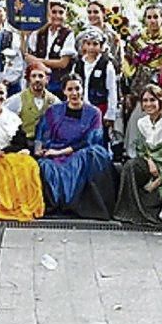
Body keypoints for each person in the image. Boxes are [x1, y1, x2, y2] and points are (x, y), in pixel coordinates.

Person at [35, 75, 116, 219]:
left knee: (87, 157)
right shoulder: (54, 111)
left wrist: (60, 152)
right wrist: (39, 149)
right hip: (55, 150)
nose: (74, 93)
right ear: (64, 92)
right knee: (45, 166)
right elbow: (42, 133)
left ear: (82, 89)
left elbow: (91, 140)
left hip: (80, 151)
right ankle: (56, 206)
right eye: (70, 89)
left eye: (77, 88)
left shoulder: (94, 113)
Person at [114, 84, 162, 226]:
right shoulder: (142, 123)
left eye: (152, 100)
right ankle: (129, 211)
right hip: (150, 165)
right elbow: (142, 149)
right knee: (130, 166)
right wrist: (150, 161)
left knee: (155, 192)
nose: (148, 104)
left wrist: (159, 176)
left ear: (160, 101)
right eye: (145, 101)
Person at [0, 79, 44, 221]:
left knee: (28, 165)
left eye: (1, 93)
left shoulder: (13, 118)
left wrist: (3, 152)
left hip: (7, 154)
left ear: (6, 96)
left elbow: (21, 144)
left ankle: (19, 206)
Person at [121, 5, 162, 154]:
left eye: (156, 17)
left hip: (161, 90)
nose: (153, 21)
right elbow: (127, 64)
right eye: (149, 17)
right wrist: (127, 91)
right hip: (139, 89)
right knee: (137, 122)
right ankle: (133, 155)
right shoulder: (135, 41)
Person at [71, 28, 119, 139]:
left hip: (99, 107)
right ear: (83, 46)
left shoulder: (106, 64)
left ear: (101, 46)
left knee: (99, 137)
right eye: (88, 44)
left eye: (95, 44)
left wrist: (110, 113)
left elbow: (112, 90)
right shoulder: (78, 64)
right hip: (81, 107)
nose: (91, 47)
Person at [25, 0, 77, 97]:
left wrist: (38, 61)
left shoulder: (68, 34)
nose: (57, 15)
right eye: (54, 12)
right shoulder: (39, 32)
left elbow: (63, 63)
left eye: (61, 12)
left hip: (58, 82)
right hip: (39, 80)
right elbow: (27, 55)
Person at [4, 62, 60, 141]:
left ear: (47, 79)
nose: (37, 79)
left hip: (46, 144)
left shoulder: (54, 101)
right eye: (34, 76)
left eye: (40, 76)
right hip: (24, 143)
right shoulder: (17, 99)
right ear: (29, 79)